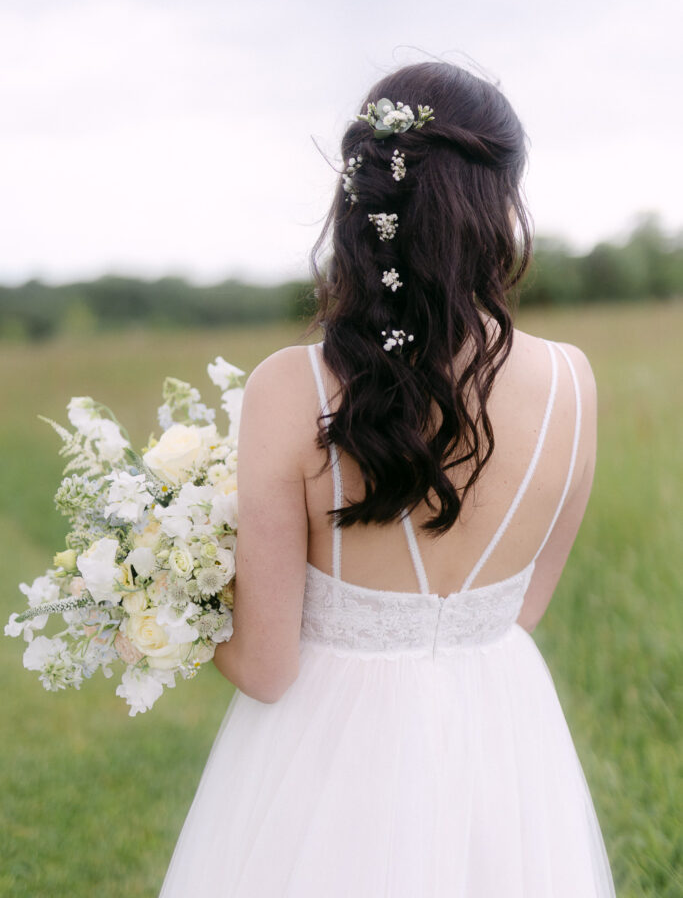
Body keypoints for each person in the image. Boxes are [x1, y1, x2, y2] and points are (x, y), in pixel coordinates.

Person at [159, 61, 617, 896]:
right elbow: (521, 609)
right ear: (499, 206)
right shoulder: (571, 381)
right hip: (502, 734)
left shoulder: (290, 387)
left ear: (360, 201)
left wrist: (168, 589)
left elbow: (266, 668)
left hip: (330, 753)